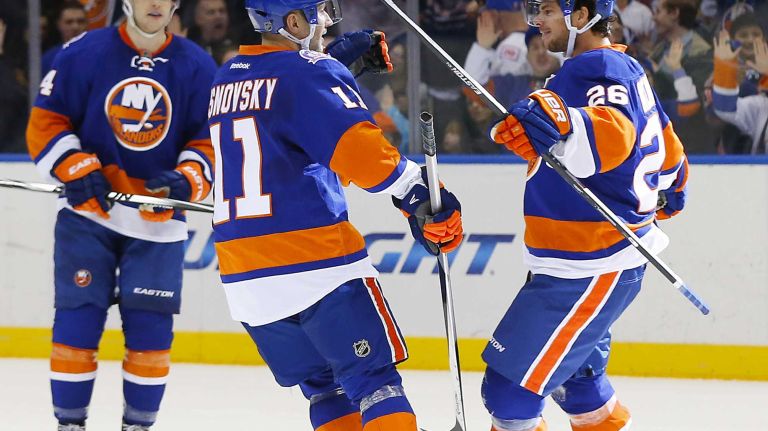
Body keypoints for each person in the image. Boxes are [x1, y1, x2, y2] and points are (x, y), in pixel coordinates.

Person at [208, 1, 464, 430]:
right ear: (292, 22)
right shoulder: (308, 73)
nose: (327, 21)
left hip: (245, 279)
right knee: (374, 383)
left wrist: (331, 66)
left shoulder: (225, 79)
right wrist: (418, 192)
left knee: (326, 389)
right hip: (315, 265)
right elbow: (362, 155)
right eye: (317, 12)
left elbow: (275, 106)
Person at [485, 0, 689, 430]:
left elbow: (615, 132)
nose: (536, 21)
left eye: (546, 10)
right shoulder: (622, 68)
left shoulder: (593, 67)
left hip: (589, 264)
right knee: (579, 387)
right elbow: (667, 154)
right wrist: (669, 189)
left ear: (580, 16)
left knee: (509, 392)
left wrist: (566, 126)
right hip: (594, 259)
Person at [25, 0, 217, 429]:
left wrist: (189, 177)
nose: (157, 4)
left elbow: (210, 139)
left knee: (151, 337)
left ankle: (138, 426)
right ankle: (69, 424)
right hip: (89, 216)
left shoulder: (198, 66)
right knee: (77, 325)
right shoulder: (83, 52)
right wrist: (73, 165)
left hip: (158, 222)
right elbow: (46, 122)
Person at [42, 1, 88, 76]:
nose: (75, 27)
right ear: (59, 24)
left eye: (80, 21)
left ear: (87, 23)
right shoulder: (49, 59)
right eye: (69, 22)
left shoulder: (98, 55)